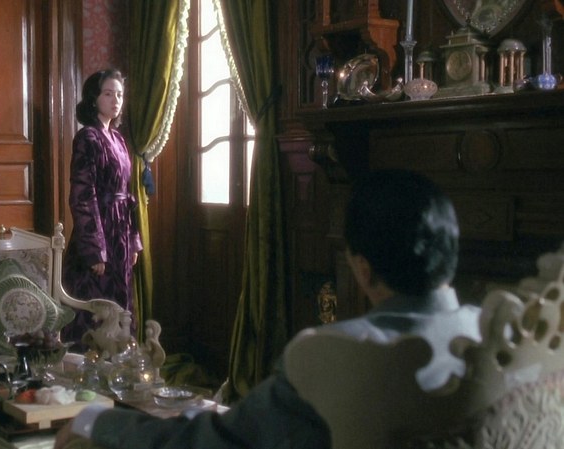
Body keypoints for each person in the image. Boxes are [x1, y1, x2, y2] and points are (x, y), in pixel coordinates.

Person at [53, 169, 482, 449]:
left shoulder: (332, 354)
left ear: (363, 269)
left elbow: (218, 442)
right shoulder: (500, 337)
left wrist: (98, 422)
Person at [62, 69, 143, 346]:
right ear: (94, 98)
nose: (115, 100)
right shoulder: (87, 138)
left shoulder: (118, 139)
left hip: (120, 233)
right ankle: (87, 366)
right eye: (108, 94)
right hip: (98, 232)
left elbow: (128, 195)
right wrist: (94, 249)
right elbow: (82, 195)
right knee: (94, 308)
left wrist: (133, 240)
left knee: (120, 307)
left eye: (119, 95)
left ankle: (118, 364)